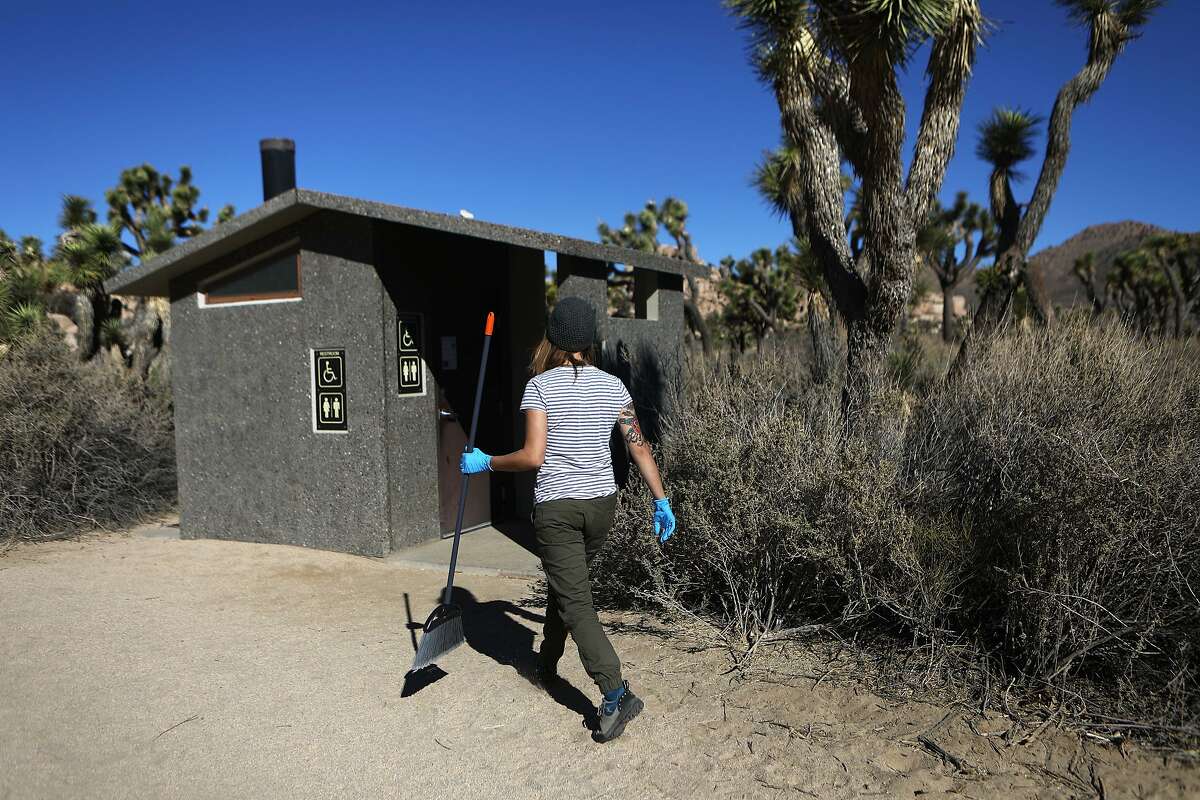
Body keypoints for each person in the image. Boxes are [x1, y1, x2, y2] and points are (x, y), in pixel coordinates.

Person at [459, 296, 676, 743]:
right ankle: (548, 660)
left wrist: (488, 463)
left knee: (575, 600)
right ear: (589, 339)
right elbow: (638, 446)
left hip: (558, 509)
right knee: (568, 586)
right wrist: (661, 499)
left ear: (553, 338)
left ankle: (616, 691)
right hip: (601, 506)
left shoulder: (540, 387)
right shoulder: (614, 386)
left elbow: (533, 456)